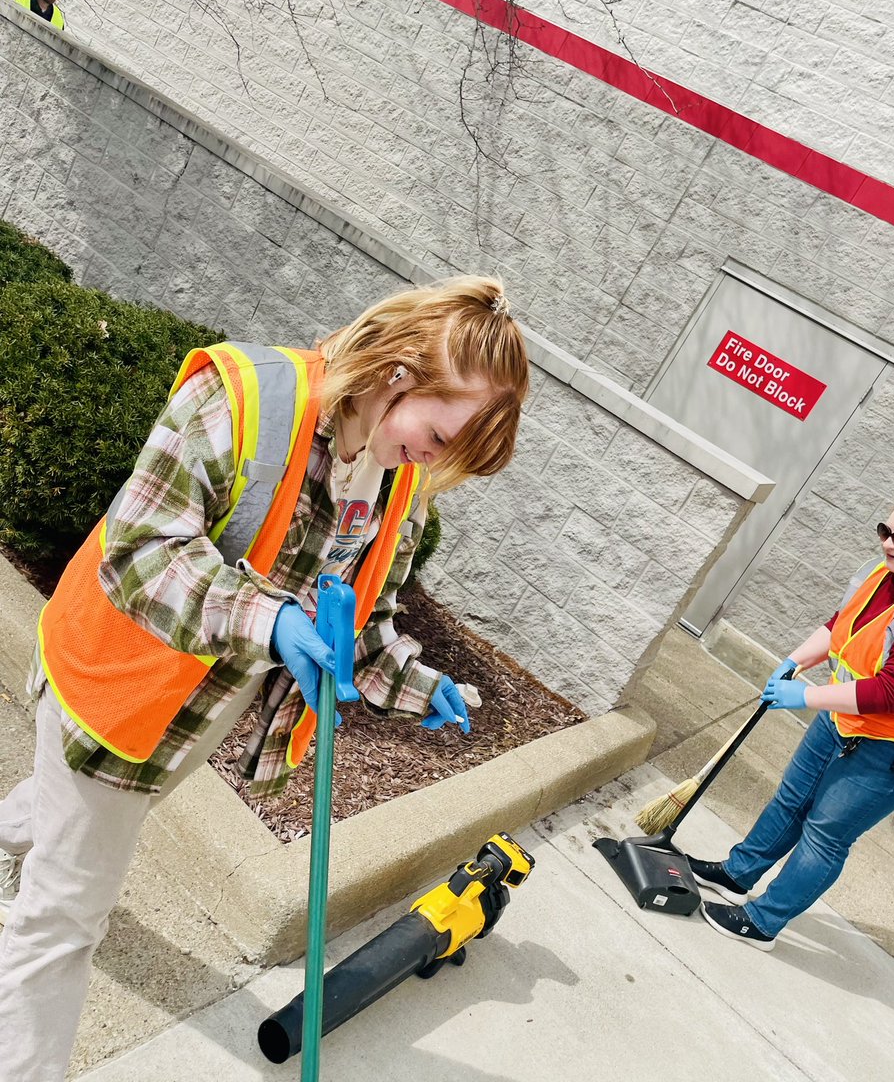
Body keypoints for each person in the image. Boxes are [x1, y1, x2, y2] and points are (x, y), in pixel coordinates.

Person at [0, 275, 529, 1080]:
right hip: (112, 691)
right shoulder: (242, 398)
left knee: (63, 814)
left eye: (454, 453)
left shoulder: (396, 483)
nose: (436, 459)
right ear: (398, 371)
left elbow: (362, 623)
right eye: (441, 433)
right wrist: (269, 619)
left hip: (185, 717)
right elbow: (140, 553)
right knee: (64, 919)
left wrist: (416, 683)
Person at [687, 494, 894, 951]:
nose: (887, 544)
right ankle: (740, 873)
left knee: (825, 835)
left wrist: (807, 696)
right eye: (884, 530)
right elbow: (841, 624)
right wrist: (793, 662)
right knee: (790, 801)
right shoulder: (882, 574)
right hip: (844, 718)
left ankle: (763, 922)